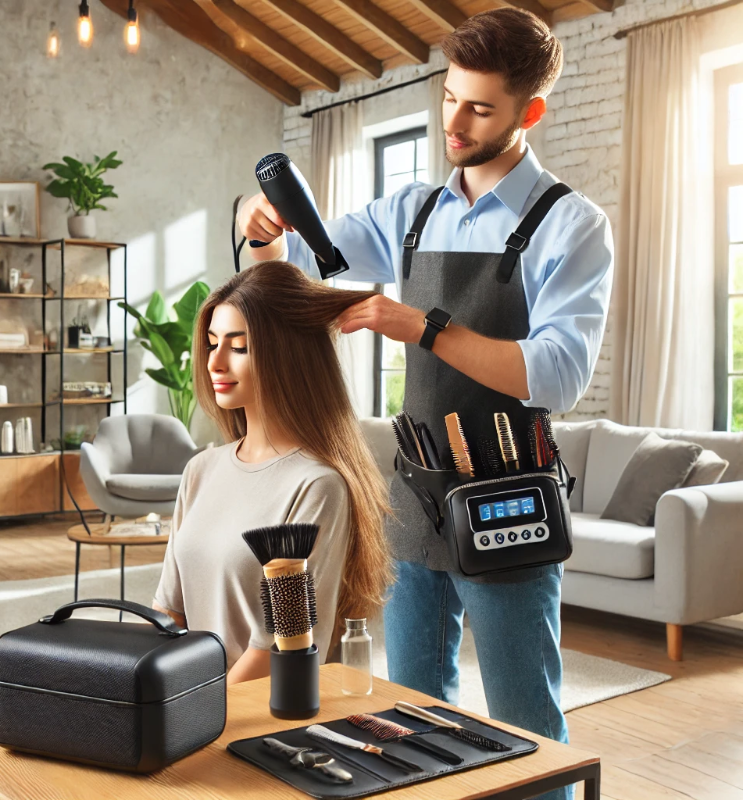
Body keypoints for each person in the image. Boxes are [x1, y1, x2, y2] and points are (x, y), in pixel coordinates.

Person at [238, 8, 613, 799]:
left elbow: (557, 373)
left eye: (480, 107)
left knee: (527, 722)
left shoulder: (569, 225)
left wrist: (423, 326)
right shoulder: (411, 212)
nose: (456, 120)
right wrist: (263, 226)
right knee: (406, 715)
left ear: (529, 112)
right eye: (449, 98)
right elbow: (302, 261)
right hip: (415, 495)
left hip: (507, 503)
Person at [153, 261, 393, 685]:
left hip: (256, 713)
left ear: (287, 354)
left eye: (239, 346)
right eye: (212, 344)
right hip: (188, 703)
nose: (215, 362)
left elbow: (279, 649)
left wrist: (192, 714)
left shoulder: (317, 485)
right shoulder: (200, 471)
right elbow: (167, 614)